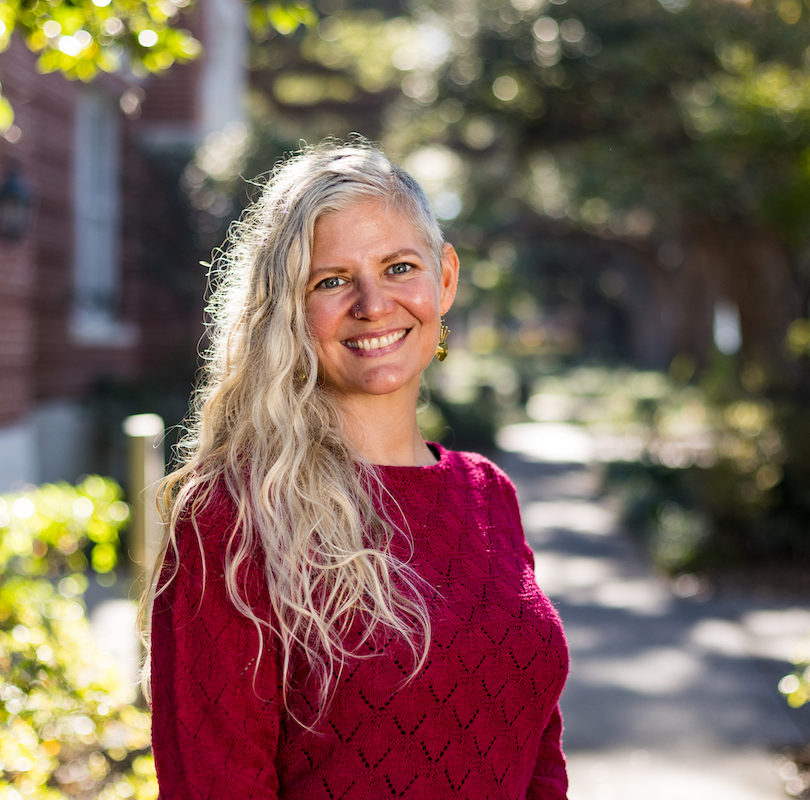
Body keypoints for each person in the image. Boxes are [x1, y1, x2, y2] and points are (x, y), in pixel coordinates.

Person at [142, 140, 570, 799]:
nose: (373, 304)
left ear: (445, 279)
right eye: (332, 281)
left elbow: (540, 759)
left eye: (399, 267)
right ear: (288, 309)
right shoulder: (232, 519)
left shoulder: (490, 495)